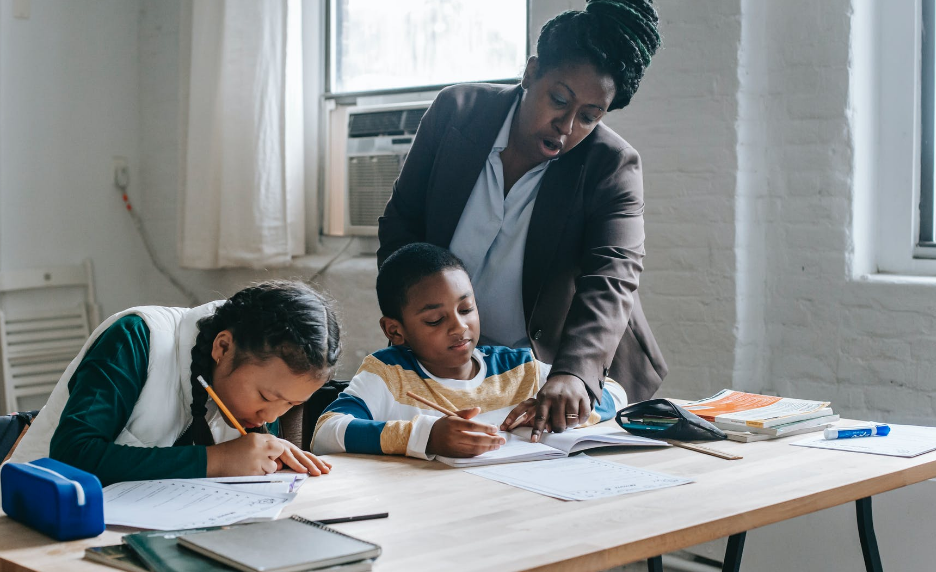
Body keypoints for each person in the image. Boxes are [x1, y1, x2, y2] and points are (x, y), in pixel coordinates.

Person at [377, 0, 666, 442]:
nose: (567, 126)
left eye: (589, 116)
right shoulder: (456, 113)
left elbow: (613, 276)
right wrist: (410, 321)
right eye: (559, 100)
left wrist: (574, 373)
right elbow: (403, 223)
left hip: (550, 373)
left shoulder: (612, 165)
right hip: (452, 365)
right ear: (531, 73)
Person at [7, 281, 340, 486]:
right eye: (266, 396)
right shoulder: (135, 338)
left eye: (292, 405)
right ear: (222, 347)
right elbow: (70, 457)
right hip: (33, 526)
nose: (270, 416)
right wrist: (218, 461)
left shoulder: (253, 394)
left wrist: (268, 456)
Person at [312, 243, 627, 459]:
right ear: (395, 330)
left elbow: (615, 393)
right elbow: (326, 433)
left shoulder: (518, 368)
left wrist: (560, 407)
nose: (459, 327)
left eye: (467, 309)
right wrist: (427, 437)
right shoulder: (389, 373)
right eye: (436, 320)